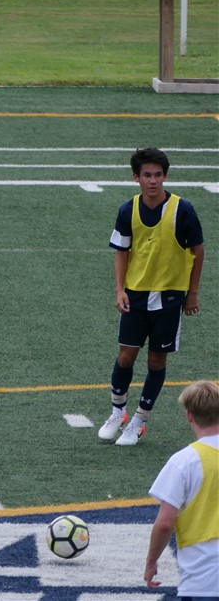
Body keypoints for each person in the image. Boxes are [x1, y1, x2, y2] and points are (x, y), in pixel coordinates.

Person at [97, 148, 205, 446]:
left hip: (170, 298)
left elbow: (198, 251)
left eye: (158, 175)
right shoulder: (127, 210)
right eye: (147, 175)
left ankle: (139, 421)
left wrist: (193, 293)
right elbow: (121, 252)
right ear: (136, 178)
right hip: (136, 296)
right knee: (126, 355)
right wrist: (120, 290)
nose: (153, 180)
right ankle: (117, 412)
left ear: (165, 176)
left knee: (156, 361)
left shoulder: (183, 210)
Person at [143, 380, 219, 597]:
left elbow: (165, 523)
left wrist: (151, 561)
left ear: (189, 416)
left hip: (205, 578)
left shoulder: (184, 461)